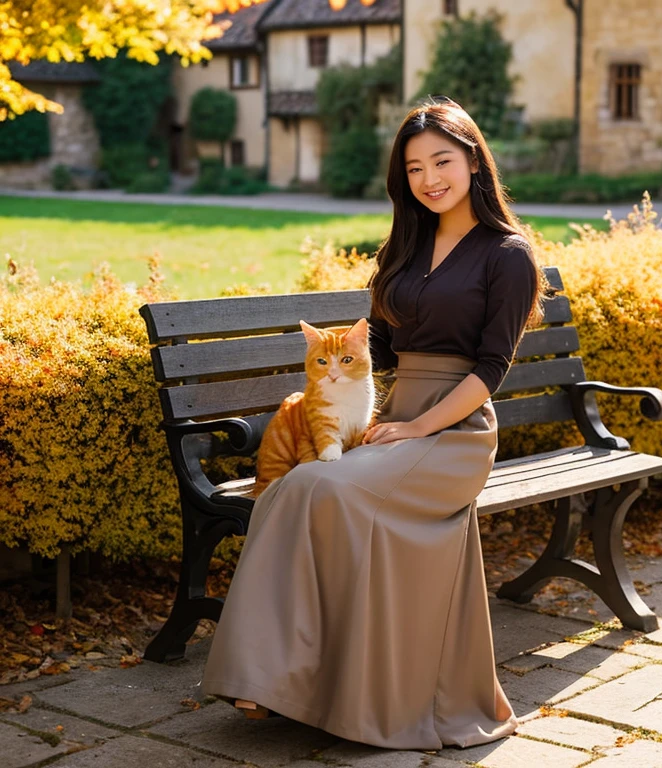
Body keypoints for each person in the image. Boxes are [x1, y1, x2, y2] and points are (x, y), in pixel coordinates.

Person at [201, 97, 544, 750]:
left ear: (473, 160)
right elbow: (378, 351)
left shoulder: (508, 255)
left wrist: (418, 429)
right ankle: (280, 679)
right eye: (414, 168)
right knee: (301, 488)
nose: (429, 178)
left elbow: (491, 366)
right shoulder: (405, 249)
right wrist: (330, 377)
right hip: (395, 421)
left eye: (442, 160)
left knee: (315, 487)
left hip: (456, 428)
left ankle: (282, 676)